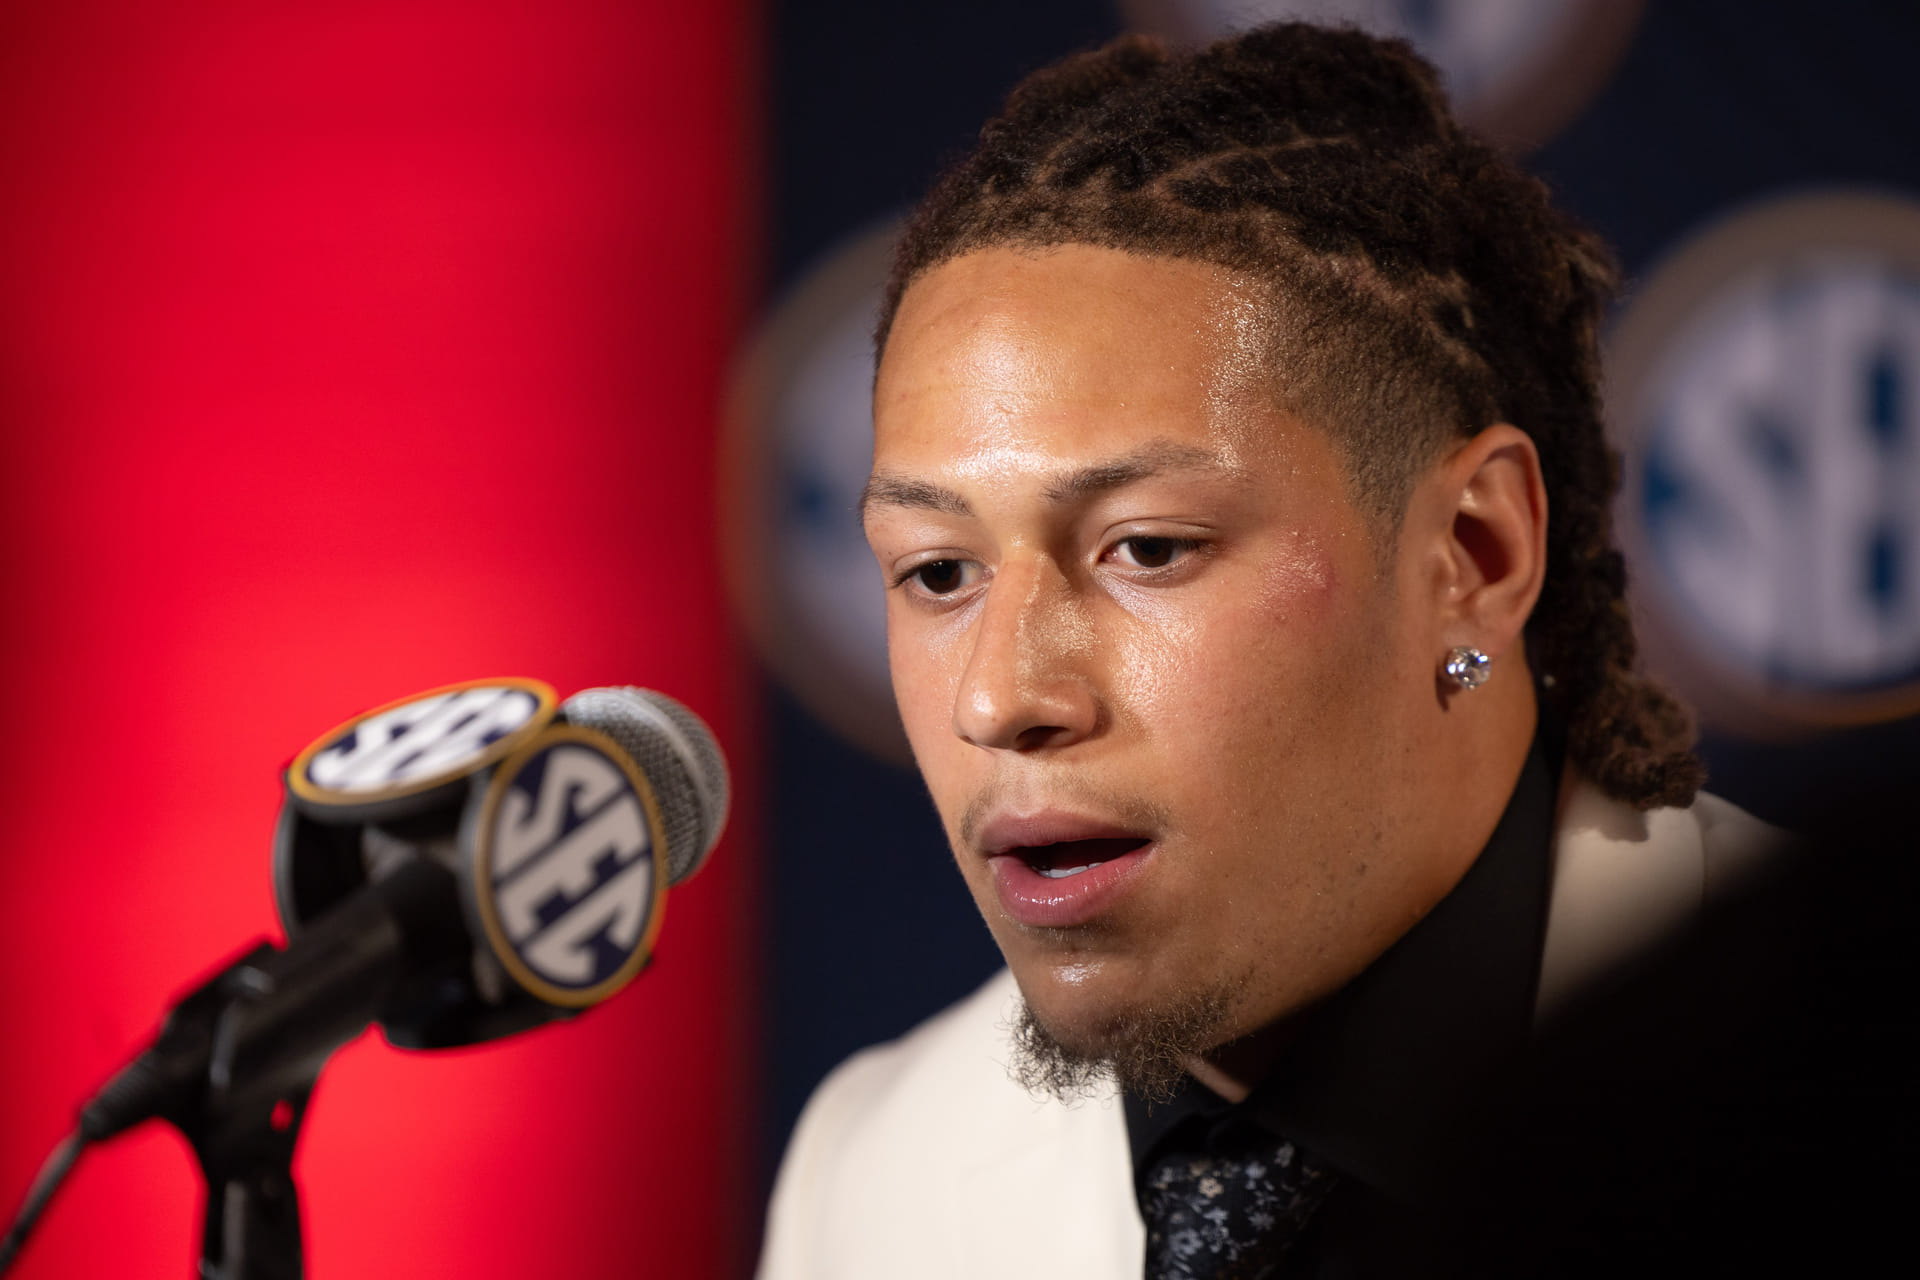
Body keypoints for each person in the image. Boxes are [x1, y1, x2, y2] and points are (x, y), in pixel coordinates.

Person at [758, 21, 1783, 1279]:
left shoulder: (1853, 1089)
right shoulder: (880, 1165)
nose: (999, 695)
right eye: (937, 572)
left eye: (1147, 549)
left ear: (1474, 554)